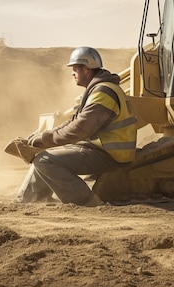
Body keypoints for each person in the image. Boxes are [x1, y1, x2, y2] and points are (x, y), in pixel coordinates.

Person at [14, 46, 137, 206]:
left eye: (75, 69)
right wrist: (44, 136)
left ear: (86, 69)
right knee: (43, 156)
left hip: (109, 155)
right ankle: (25, 202)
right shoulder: (98, 89)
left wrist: (45, 139)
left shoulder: (103, 93)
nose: (72, 73)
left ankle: (88, 202)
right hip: (101, 150)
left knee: (45, 160)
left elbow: (80, 129)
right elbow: (74, 121)